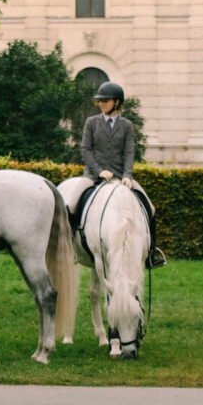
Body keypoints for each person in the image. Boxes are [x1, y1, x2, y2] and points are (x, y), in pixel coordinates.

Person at [80, 81, 167, 268]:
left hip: (121, 177)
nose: (101, 103)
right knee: (71, 203)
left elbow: (129, 153)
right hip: (93, 176)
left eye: (105, 100)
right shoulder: (92, 123)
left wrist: (128, 175)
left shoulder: (126, 125)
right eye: (100, 100)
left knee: (149, 207)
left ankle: (152, 253)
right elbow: (86, 150)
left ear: (117, 103)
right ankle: (70, 244)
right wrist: (98, 171)